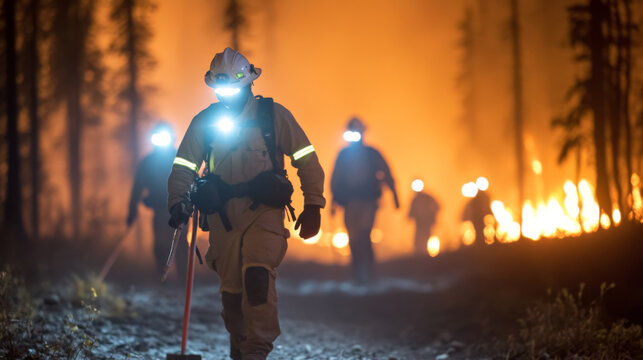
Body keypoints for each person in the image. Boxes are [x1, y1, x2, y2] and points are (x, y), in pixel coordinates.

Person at [166, 48, 325, 360]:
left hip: (264, 213)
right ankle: (240, 350)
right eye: (220, 90)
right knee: (231, 295)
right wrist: (177, 201)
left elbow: (306, 157)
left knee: (257, 276)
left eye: (234, 89)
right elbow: (184, 165)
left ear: (249, 84)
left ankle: (256, 350)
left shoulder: (272, 116)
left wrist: (313, 204)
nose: (228, 97)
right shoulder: (205, 122)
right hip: (223, 218)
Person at [330, 117, 399, 285]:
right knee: (353, 238)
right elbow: (336, 179)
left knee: (364, 234)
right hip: (350, 202)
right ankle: (357, 274)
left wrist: (396, 196)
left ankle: (369, 273)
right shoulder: (343, 155)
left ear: (362, 133)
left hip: (368, 201)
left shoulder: (372, 153)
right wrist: (333, 203)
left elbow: (387, 173)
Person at [127, 122, 187, 280]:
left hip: (180, 208)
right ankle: (161, 277)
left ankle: (184, 279)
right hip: (160, 209)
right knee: (160, 244)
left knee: (180, 243)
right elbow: (137, 187)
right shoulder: (148, 163)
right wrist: (132, 210)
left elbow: (191, 179)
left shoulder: (181, 158)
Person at [408, 179, 440, 255]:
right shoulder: (415, 200)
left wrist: (432, 213)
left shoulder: (427, 197)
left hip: (427, 223)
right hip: (419, 223)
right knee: (418, 240)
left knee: (425, 238)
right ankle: (419, 254)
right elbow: (411, 211)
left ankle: (423, 254)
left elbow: (438, 205)